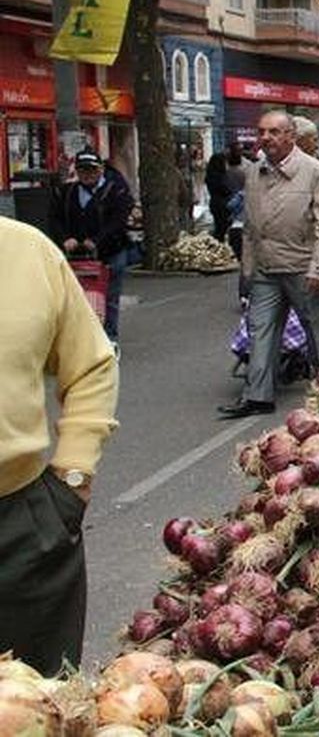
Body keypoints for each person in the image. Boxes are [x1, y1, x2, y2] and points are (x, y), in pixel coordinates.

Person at [0, 217, 118, 675]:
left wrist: (74, 476)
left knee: (35, 706)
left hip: (21, 529)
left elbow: (91, 365)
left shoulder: (29, 252)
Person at [220, 110, 319, 419]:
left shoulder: (317, 171)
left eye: (274, 132)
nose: (266, 138)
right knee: (259, 331)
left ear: (291, 136)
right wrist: (248, 270)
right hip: (266, 269)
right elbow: (249, 225)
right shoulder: (254, 171)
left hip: (306, 267)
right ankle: (257, 396)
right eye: (262, 132)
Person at [55, 151, 135, 341]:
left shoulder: (116, 191)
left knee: (108, 298)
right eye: (82, 170)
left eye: (92, 170)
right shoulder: (67, 192)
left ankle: (109, 338)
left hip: (110, 252)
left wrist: (96, 240)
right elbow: (55, 218)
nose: (87, 174)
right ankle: (81, 339)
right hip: (76, 256)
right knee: (76, 298)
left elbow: (118, 221)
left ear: (101, 170)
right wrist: (65, 238)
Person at [205, 143, 245, 247]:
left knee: (220, 229)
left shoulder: (213, 177)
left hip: (217, 204)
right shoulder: (236, 172)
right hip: (228, 204)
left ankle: (219, 246)